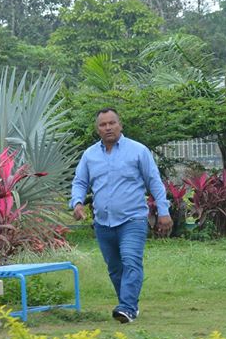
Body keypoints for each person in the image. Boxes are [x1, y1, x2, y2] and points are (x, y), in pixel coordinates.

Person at [70, 108, 171, 323]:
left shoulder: (138, 151)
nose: (108, 127)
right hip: (103, 223)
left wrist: (163, 211)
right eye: (103, 124)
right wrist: (77, 202)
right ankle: (129, 304)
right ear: (97, 129)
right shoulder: (89, 155)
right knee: (115, 269)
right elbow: (80, 182)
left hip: (132, 219)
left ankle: (127, 307)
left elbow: (154, 181)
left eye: (112, 123)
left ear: (120, 125)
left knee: (131, 261)